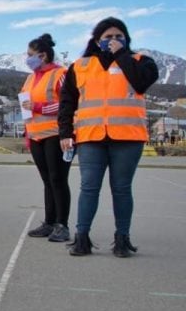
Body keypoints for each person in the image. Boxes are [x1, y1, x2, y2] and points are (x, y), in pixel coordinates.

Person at [59, 17, 158, 257]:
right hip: (91, 136)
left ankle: (122, 238)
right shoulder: (80, 66)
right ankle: (82, 238)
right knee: (89, 186)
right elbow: (67, 102)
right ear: (96, 40)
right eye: (108, 37)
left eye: (119, 36)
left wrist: (121, 54)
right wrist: (65, 132)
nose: (113, 40)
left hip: (127, 137)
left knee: (122, 188)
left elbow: (142, 83)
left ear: (126, 40)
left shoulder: (140, 62)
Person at [21, 34, 72, 243]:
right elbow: (25, 105)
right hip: (36, 135)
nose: (27, 58)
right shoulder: (31, 78)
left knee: (57, 179)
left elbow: (67, 104)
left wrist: (38, 107)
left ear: (42, 55)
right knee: (47, 181)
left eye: (30, 55)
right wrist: (27, 133)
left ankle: (62, 224)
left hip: (55, 134)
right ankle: (49, 222)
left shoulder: (61, 74)